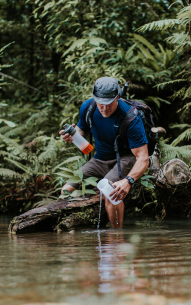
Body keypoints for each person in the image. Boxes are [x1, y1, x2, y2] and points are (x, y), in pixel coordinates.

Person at [59, 77, 149, 228]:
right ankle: (67, 230)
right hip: (99, 160)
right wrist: (72, 136)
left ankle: (116, 237)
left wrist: (128, 181)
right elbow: (83, 131)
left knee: (110, 191)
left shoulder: (131, 117)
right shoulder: (88, 107)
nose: (104, 108)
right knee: (66, 190)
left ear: (117, 98)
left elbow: (143, 158)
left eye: (108, 104)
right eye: (101, 103)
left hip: (125, 159)